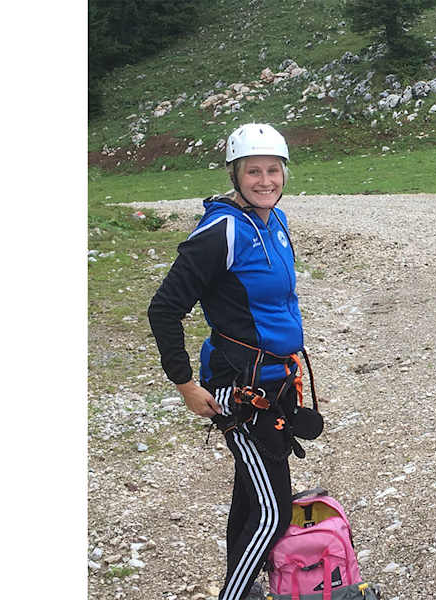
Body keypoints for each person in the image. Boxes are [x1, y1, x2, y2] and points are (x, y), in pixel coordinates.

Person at [148, 123, 318, 600]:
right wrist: (185, 384)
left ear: (284, 173)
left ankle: (243, 589)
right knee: (273, 513)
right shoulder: (221, 230)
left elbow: (274, 303)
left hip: (275, 380)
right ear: (235, 175)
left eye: (273, 170)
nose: (265, 180)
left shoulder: (275, 221)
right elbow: (164, 308)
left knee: (250, 499)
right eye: (253, 171)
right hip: (238, 387)